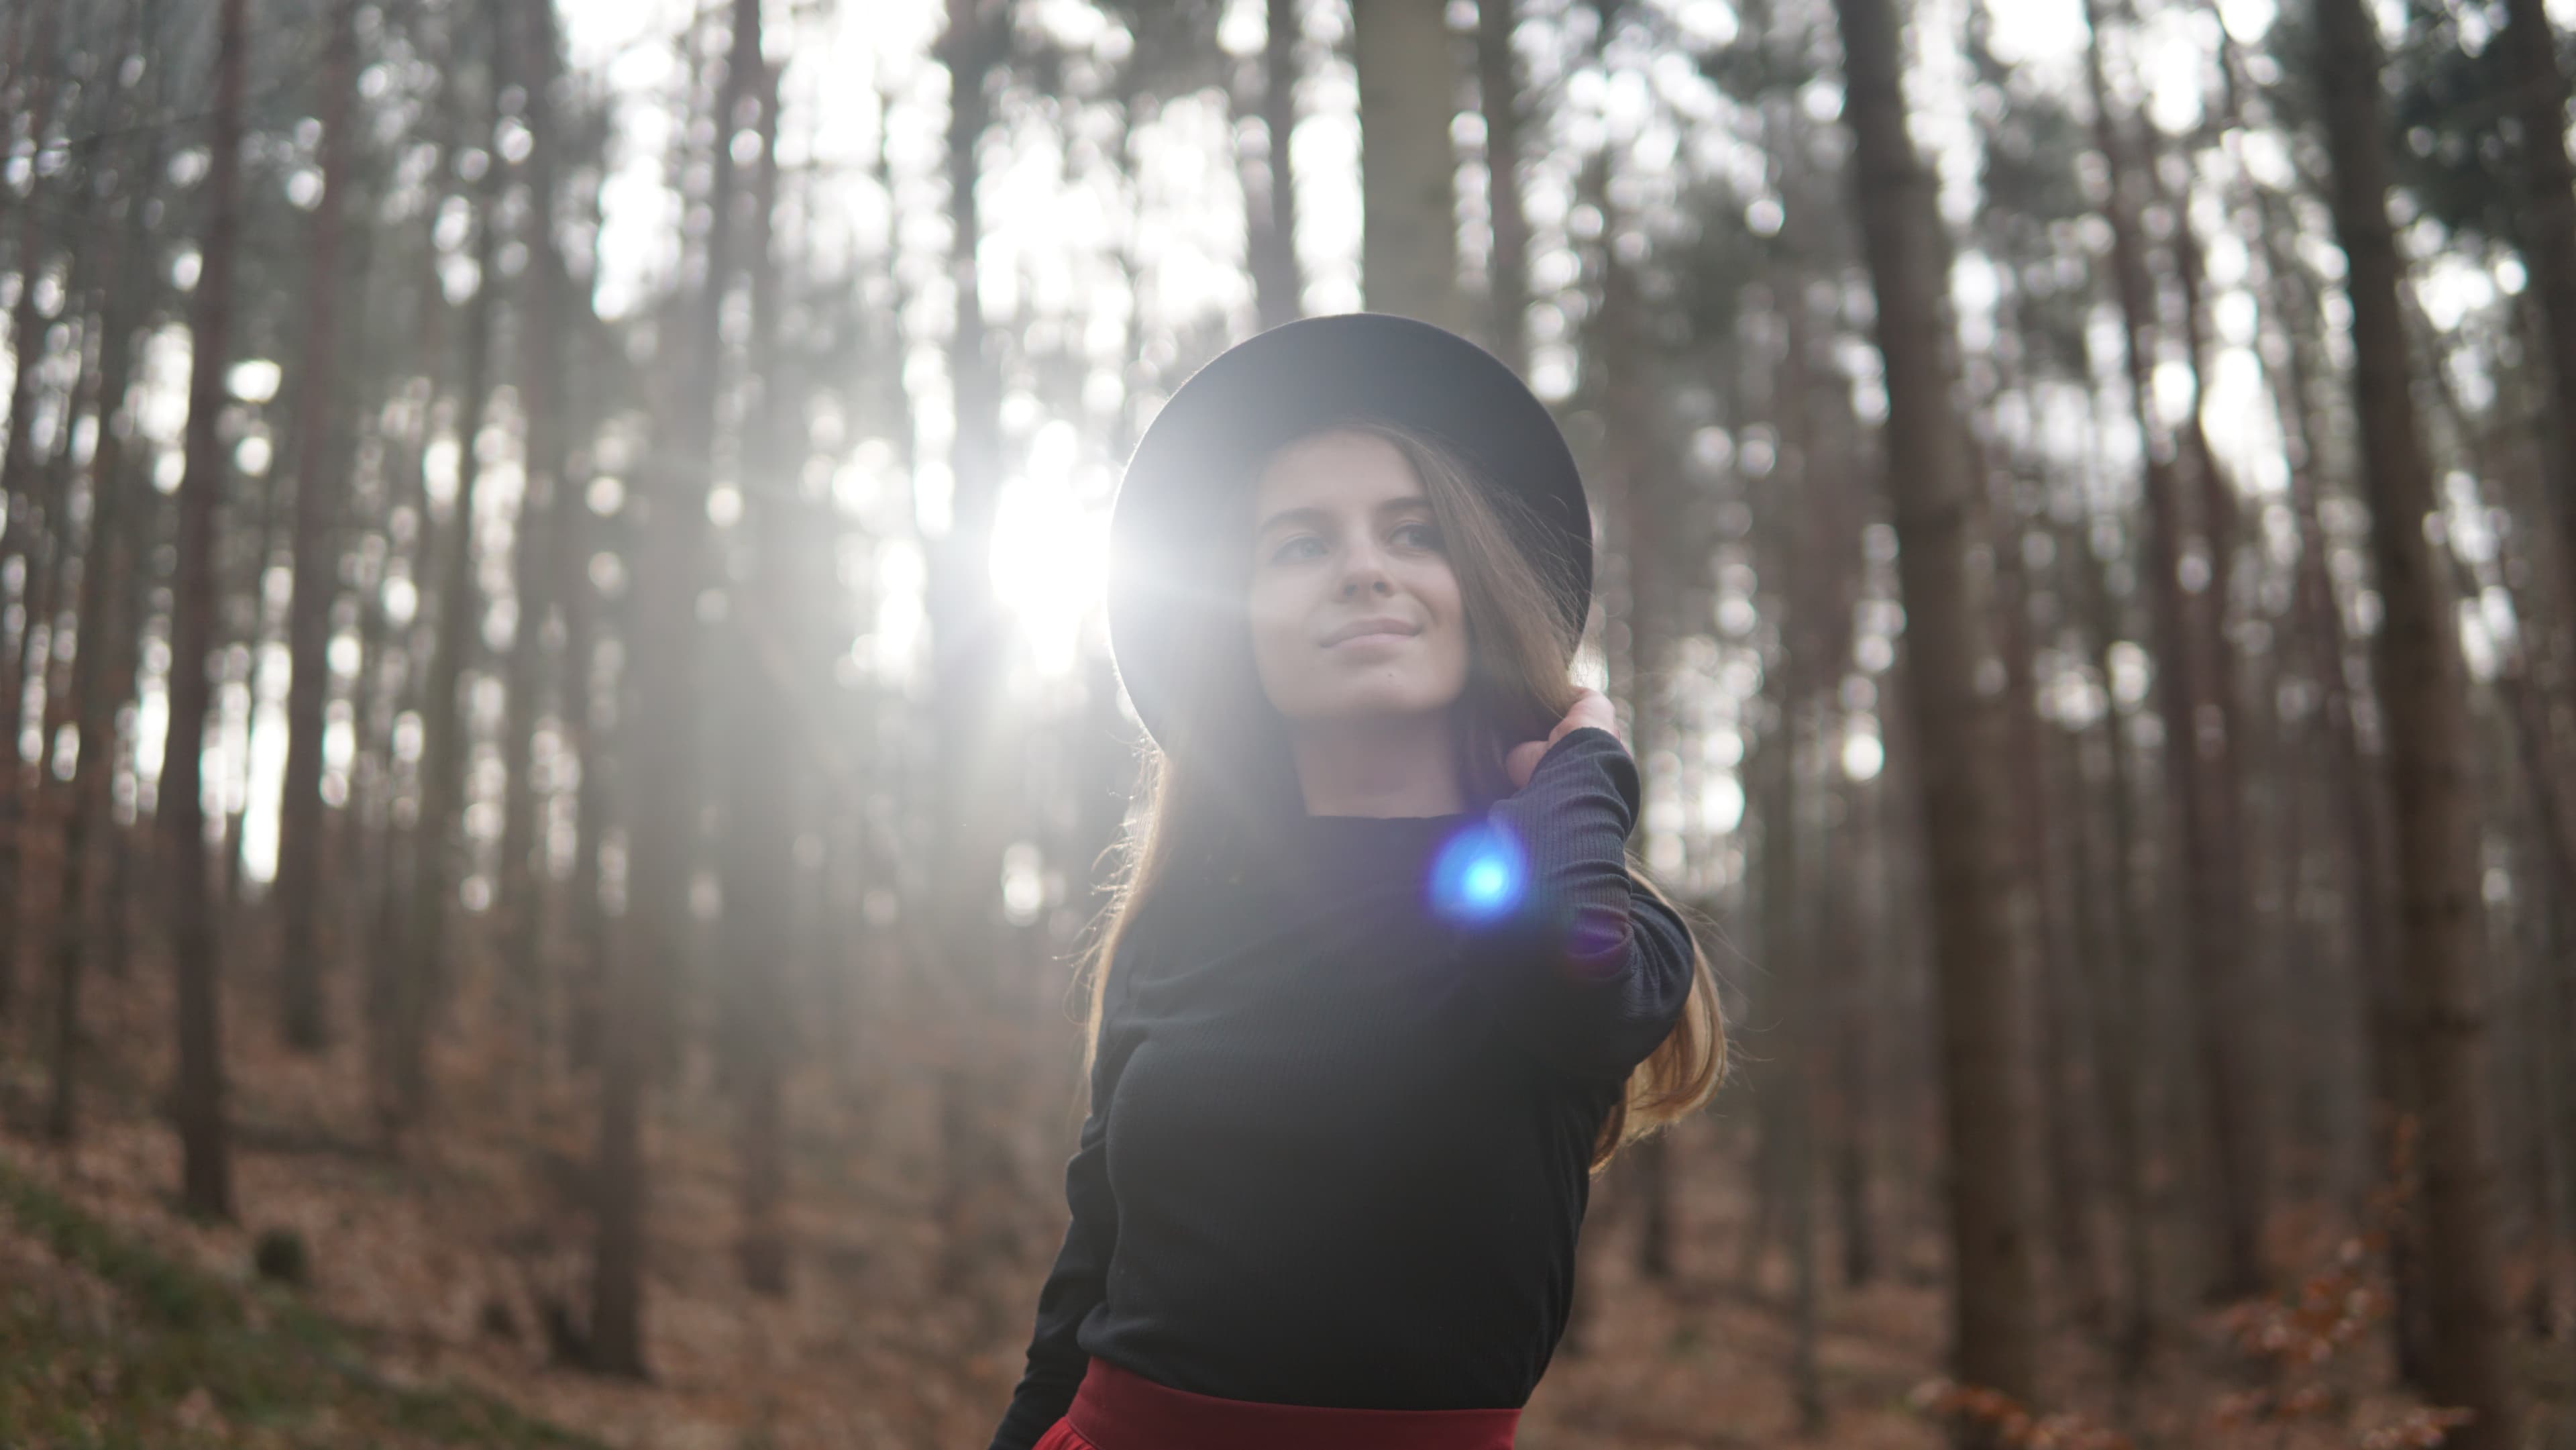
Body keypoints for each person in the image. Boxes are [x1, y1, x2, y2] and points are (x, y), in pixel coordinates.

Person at [986, 313, 1728, 1450]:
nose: (1364, 569)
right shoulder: (1181, 924)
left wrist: (1585, 761)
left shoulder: (1601, 926)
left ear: (1475, 585)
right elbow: (1080, 1295)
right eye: (1298, 544)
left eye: (1414, 532)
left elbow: (1572, 969)